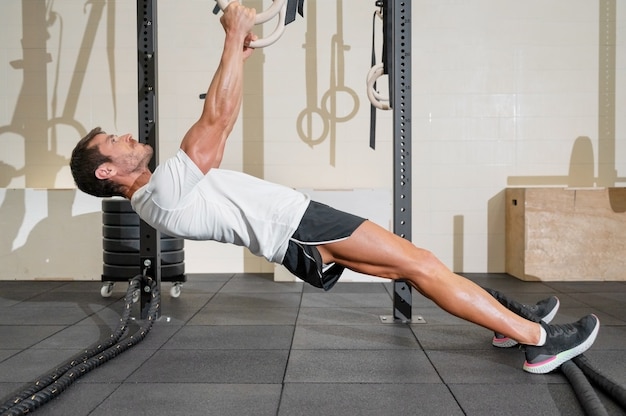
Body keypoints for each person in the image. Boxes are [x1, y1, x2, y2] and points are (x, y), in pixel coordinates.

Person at [70, 2, 598, 374]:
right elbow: (215, 126)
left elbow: (219, 118)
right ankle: (538, 342)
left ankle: (508, 323)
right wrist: (231, 37)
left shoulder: (159, 193)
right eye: (114, 141)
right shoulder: (160, 194)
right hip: (300, 228)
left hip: (298, 229)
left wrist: (238, 57)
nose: (128, 136)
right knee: (422, 264)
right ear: (106, 172)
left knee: (416, 262)